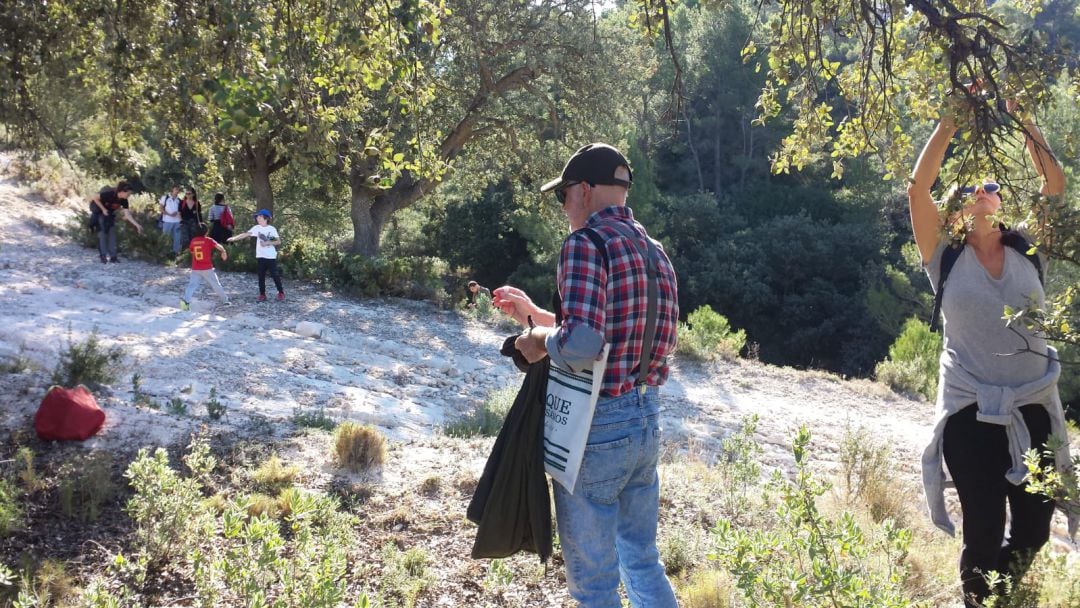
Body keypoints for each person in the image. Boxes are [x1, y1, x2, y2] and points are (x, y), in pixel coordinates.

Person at [493, 143, 679, 607]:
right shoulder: (654, 252)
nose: (563, 207)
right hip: (645, 420)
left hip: (596, 428)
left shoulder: (583, 245)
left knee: (593, 582)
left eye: (563, 196)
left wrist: (533, 344)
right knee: (641, 558)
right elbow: (608, 337)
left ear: (584, 190)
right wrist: (536, 315)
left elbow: (582, 345)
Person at [912, 98, 1074, 607]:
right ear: (957, 209)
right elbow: (918, 190)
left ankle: (994, 599)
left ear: (1000, 202)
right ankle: (981, 601)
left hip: (1032, 407)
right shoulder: (945, 257)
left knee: (1034, 533)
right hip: (970, 412)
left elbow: (1054, 184)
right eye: (971, 189)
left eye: (992, 187)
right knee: (981, 532)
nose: (984, 193)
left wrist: (1025, 120)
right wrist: (948, 123)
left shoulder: (1029, 248)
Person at [227, 208, 285, 302]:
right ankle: (262, 295)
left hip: (270, 256)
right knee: (261, 276)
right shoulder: (257, 228)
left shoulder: (271, 229)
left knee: (275, 275)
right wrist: (234, 238)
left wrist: (267, 243)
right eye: (257, 217)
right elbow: (246, 234)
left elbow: (278, 241)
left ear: (266, 218)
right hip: (260, 256)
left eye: (259, 216)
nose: (257, 218)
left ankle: (281, 293)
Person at [90, 181, 143, 263]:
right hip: (100, 212)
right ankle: (103, 256)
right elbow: (95, 198)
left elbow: (127, 215)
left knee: (112, 233)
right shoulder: (110, 194)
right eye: (128, 193)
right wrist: (103, 209)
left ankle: (113, 257)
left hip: (109, 214)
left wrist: (137, 225)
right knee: (103, 234)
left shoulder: (124, 200)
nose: (129, 195)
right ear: (122, 191)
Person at [180, 223, 230, 310]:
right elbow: (219, 247)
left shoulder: (193, 241)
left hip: (196, 268)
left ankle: (185, 303)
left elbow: (192, 251)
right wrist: (223, 251)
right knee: (216, 285)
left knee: (191, 286)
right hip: (207, 268)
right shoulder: (209, 240)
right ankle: (225, 301)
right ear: (206, 232)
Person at [159, 184, 183, 257]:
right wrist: (169, 214)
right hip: (167, 221)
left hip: (177, 221)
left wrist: (177, 213)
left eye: (178, 189)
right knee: (165, 237)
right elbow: (161, 208)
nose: (177, 191)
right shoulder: (165, 198)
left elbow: (181, 210)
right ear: (172, 189)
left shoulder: (179, 200)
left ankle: (176, 254)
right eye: (176, 189)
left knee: (177, 238)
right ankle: (164, 252)